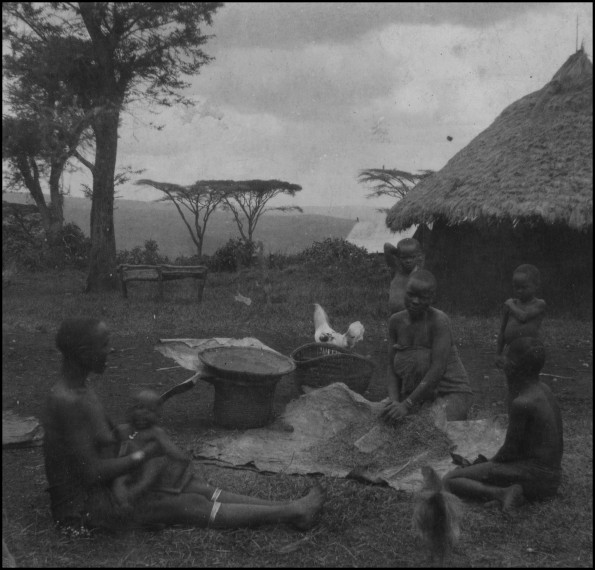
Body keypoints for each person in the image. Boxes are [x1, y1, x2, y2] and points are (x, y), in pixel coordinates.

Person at [42, 317, 325, 537]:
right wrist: (144, 456)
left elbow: (106, 442)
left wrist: (138, 444)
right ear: (81, 352)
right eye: (103, 344)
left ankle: (288, 506)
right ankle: (293, 512)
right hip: (84, 511)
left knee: (191, 486)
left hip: (109, 487)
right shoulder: (66, 401)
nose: (110, 350)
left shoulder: (82, 389)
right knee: (185, 504)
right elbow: (91, 472)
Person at [443, 337, 563, 513]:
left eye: (505, 358)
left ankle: (502, 493)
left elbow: (509, 452)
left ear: (512, 366)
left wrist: (484, 466)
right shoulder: (544, 389)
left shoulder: (522, 402)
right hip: (552, 478)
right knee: (482, 470)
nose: (501, 361)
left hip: (537, 481)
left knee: (450, 480)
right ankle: (513, 491)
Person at [380, 270, 473, 423]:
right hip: (416, 394)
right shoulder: (395, 322)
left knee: (427, 428)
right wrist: (394, 402)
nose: (415, 301)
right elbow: (391, 367)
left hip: (449, 393)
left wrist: (407, 404)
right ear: (405, 292)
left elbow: (437, 369)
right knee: (385, 417)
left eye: (422, 297)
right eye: (411, 294)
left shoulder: (439, 321)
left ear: (432, 298)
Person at [112, 390, 192, 511]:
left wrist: (183, 458)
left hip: (146, 467)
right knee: (118, 480)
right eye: (139, 407)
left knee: (152, 469)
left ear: (158, 415)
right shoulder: (122, 429)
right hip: (127, 466)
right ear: (130, 410)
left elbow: (172, 451)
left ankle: (133, 496)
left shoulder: (156, 432)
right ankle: (122, 503)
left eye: (151, 410)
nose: (143, 413)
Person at [495, 264, 545, 369]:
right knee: (513, 379)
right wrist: (498, 354)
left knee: (528, 379)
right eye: (516, 287)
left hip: (532, 353)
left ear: (536, 285)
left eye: (524, 287)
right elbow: (502, 331)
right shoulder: (511, 305)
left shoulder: (539, 304)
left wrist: (510, 304)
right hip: (512, 353)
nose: (519, 291)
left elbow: (524, 317)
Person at [384, 238, 424, 316]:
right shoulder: (396, 270)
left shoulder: (420, 275)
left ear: (418, 257)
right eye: (404, 258)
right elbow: (387, 246)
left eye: (412, 257)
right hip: (395, 316)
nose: (408, 261)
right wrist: (400, 251)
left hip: (412, 317)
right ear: (399, 258)